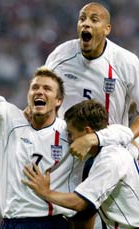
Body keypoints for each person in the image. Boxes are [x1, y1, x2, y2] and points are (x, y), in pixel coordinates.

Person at [0, 24, 136, 229]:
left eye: (47, 88)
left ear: (59, 100)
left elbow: (121, 132)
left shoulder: (68, 132)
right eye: (35, 87)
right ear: (28, 95)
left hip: (53, 223)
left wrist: (92, 139)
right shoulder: (9, 120)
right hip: (11, 223)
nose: (39, 92)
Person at [22, 99, 139, 229]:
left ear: (87, 132)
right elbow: (122, 132)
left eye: (71, 134)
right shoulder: (114, 138)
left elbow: (79, 203)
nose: (69, 140)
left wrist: (45, 192)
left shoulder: (110, 160)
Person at [45, 2, 139, 158]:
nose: (86, 23)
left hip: (107, 152)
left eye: (94, 20)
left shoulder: (126, 62)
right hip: (64, 150)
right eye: (82, 19)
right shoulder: (60, 55)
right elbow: (43, 91)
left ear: (107, 28)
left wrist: (127, 136)